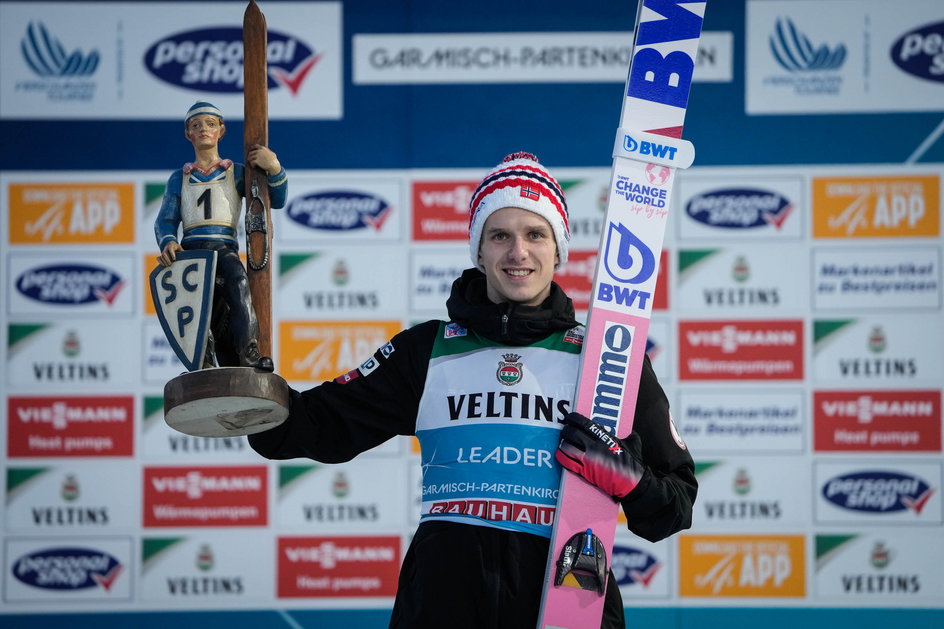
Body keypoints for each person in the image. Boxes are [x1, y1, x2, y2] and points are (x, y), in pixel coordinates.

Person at [248, 152, 696, 628]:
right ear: (478, 250)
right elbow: (310, 427)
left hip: (568, 609)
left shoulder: (607, 360)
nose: (517, 252)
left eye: (535, 234)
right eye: (499, 235)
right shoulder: (427, 350)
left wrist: (629, 479)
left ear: (558, 249)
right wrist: (240, 372)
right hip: (443, 609)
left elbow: (674, 506)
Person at [154, 101, 288, 371]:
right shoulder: (179, 178)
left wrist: (274, 168)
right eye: (196, 125)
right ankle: (201, 364)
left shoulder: (237, 172)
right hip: (191, 250)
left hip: (224, 246)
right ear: (187, 134)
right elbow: (165, 220)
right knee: (196, 309)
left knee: (239, 287)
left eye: (210, 124)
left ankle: (249, 355)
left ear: (221, 131)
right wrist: (168, 240)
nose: (204, 129)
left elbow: (276, 199)